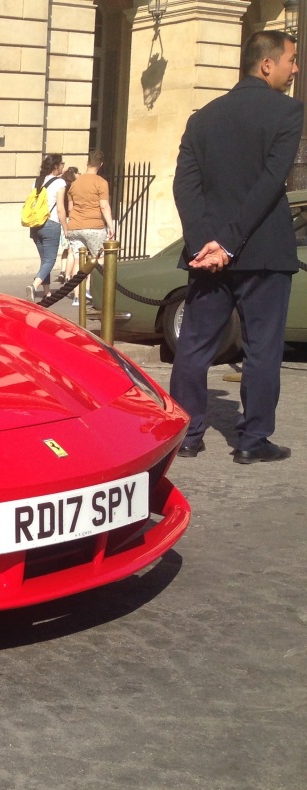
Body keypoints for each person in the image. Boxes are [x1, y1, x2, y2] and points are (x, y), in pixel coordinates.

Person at [170, 30, 301, 464]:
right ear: (267, 64)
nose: (295, 68)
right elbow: (270, 184)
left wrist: (203, 242)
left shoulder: (202, 117)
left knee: (194, 345)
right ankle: (251, 440)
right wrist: (224, 243)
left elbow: (185, 186)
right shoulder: (287, 112)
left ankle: (186, 433)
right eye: (291, 60)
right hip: (263, 250)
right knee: (263, 348)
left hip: (208, 256)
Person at [65, 150, 116, 305]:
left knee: (78, 260)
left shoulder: (74, 184)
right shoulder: (101, 182)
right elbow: (104, 206)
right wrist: (111, 225)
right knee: (100, 259)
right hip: (94, 225)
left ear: (87, 163)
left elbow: (70, 209)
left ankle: (76, 297)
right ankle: (100, 294)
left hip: (75, 226)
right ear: (101, 165)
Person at [26, 154, 67, 302]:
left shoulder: (37, 181)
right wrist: (66, 228)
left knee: (44, 260)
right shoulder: (60, 183)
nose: (63, 166)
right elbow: (61, 209)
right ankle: (34, 286)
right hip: (51, 223)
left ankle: (47, 292)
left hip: (35, 224)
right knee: (50, 260)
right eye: (62, 163)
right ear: (56, 166)